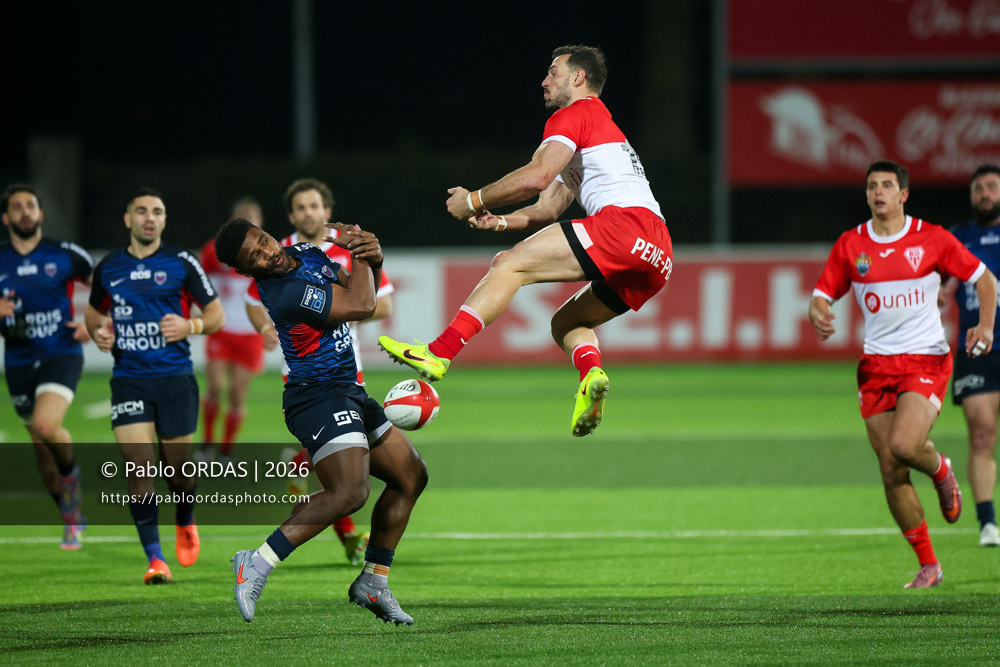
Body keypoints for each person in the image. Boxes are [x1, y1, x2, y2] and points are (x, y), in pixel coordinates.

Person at [376, 45, 672, 437]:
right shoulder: (603, 132)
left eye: (554, 72)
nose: (544, 80)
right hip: (659, 252)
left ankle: (439, 353)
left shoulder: (576, 114)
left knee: (508, 265)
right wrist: (499, 220)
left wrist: (472, 200)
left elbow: (537, 175)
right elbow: (547, 208)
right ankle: (591, 377)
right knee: (567, 322)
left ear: (578, 78)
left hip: (623, 225)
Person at [214, 217, 427, 626]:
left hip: (347, 389)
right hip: (316, 397)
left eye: (263, 240)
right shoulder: (286, 292)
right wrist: (361, 250)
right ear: (245, 270)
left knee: (410, 475)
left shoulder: (306, 254)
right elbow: (362, 306)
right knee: (350, 492)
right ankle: (257, 561)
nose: (267, 251)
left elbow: (358, 287)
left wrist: (371, 258)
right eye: (254, 255)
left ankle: (374, 581)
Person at [808, 160, 998, 588]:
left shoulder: (931, 238)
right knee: (891, 469)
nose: (879, 193)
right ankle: (929, 564)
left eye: (887, 186)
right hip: (876, 366)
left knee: (905, 445)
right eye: (872, 186)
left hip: (925, 359)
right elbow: (820, 296)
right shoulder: (851, 244)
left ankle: (940, 469)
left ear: (903, 194)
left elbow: (985, 280)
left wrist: (984, 325)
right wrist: (819, 314)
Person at [244, 178, 395, 566]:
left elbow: (382, 305)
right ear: (292, 215)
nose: (307, 213)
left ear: (326, 210)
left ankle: (302, 478)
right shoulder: (276, 255)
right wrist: (266, 326)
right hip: (309, 377)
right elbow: (252, 301)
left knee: (348, 469)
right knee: (346, 479)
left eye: (314, 206)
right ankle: (342, 535)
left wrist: (345, 302)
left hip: (349, 370)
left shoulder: (338, 247)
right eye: (300, 208)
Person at [84, 188, 224, 584]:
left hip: (176, 381)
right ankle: (155, 558)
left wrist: (190, 325)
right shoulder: (109, 266)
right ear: (127, 220)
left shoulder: (182, 263)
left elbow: (215, 314)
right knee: (139, 467)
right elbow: (93, 316)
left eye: (157, 212)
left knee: (178, 473)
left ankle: (184, 517)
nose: (149, 217)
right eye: (141, 211)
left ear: (164, 220)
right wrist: (100, 334)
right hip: (129, 381)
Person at [1, 182, 92, 550]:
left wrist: (93, 323)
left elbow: (106, 287)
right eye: (17, 207)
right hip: (19, 360)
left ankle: (72, 482)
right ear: (6, 217)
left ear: (40, 213)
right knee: (40, 448)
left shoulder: (65, 254)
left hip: (61, 353)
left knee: (45, 424)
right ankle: (70, 515)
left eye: (31, 205)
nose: (25, 211)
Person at [945, 164, 1000, 547]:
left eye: (992, 187)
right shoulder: (956, 237)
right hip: (978, 348)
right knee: (981, 435)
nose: (984, 193)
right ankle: (988, 523)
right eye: (978, 187)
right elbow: (934, 279)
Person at [197, 197, 268, 460]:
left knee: (237, 394)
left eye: (254, 219)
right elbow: (198, 281)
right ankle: (207, 442)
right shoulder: (214, 250)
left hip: (251, 333)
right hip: (221, 328)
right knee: (215, 386)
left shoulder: (267, 253)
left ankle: (226, 448)